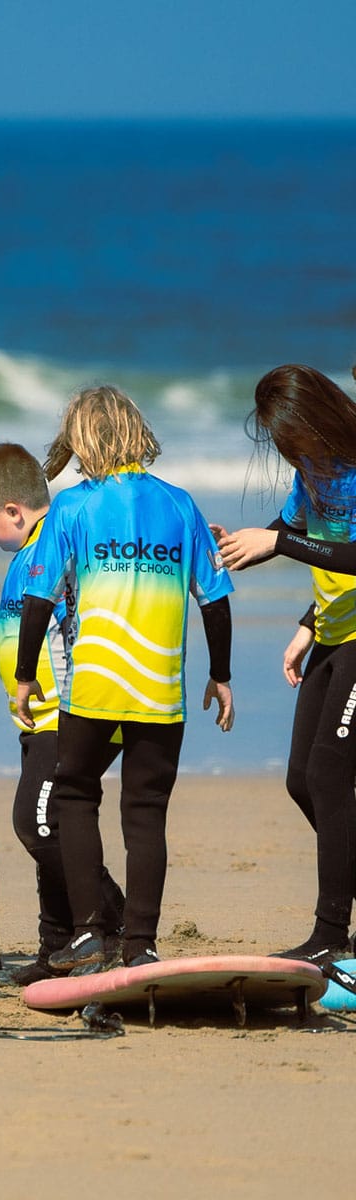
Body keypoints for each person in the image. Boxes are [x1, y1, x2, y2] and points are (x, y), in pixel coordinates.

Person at [15, 386, 234, 972]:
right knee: (146, 813)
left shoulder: (72, 506)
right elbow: (213, 600)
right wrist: (222, 675)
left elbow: (40, 597)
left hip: (93, 685)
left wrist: (22, 678)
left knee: (76, 794)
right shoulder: (181, 504)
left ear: (84, 438)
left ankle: (89, 932)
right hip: (160, 688)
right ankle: (141, 944)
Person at [0, 443, 125, 985]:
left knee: (38, 821)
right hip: (38, 719)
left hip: (69, 717)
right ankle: (56, 946)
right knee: (42, 820)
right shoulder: (26, 552)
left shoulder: (55, 543)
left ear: (12, 510)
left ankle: (107, 920)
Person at [214, 364, 356, 963]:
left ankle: (329, 936)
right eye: (280, 444)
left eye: (291, 438)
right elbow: (295, 531)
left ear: (317, 419)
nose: (287, 452)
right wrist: (244, 548)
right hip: (332, 631)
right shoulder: (312, 471)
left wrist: (280, 545)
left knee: (329, 776)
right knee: (302, 780)